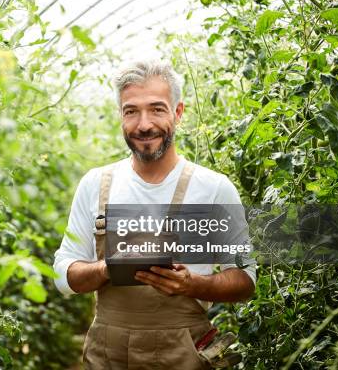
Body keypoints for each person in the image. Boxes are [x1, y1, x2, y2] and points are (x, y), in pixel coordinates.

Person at [53, 60, 256, 369]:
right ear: (120, 116)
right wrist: (108, 268)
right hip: (109, 352)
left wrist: (193, 284)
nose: (143, 124)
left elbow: (245, 280)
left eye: (157, 109)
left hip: (184, 350)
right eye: (131, 111)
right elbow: (63, 275)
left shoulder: (213, 189)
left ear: (178, 112)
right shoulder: (95, 184)